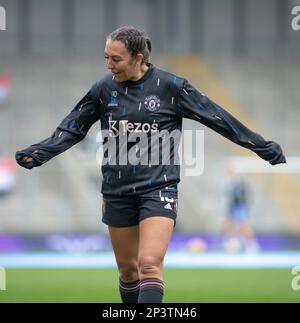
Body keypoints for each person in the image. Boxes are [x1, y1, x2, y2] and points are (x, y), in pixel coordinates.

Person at [15, 26, 286, 303]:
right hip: (116, 191)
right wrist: (39, 153)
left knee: (149, 264)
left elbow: (217, 117)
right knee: (128, 272)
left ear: (138, 57)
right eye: (106, 57)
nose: (109, 65)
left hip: (159, 188)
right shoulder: (103, 89)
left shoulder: (172, 88)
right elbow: (74, 127)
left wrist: (260, 146)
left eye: (116, 59)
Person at [221, 165, 259, 253]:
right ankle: (232, 242)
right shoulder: (229, 181)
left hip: (239, 206)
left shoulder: (238, 181)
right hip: (233, 207)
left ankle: (252, 244)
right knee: (228, 225)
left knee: (243, 226)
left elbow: (242, 194)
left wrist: (243, 205)